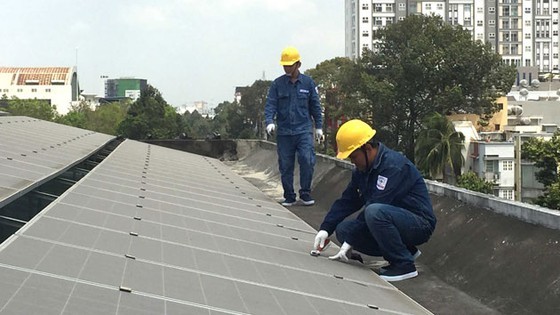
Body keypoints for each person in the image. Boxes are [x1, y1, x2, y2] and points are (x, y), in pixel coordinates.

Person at [313, 119, 436, 282]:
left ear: (368, 148)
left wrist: (351, 240)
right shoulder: (362, 170)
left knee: (374, 212)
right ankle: (405, 251)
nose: (353, 161)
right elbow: (348, 200)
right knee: (343, 229)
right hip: (392, 219)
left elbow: (376, 204)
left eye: (354, 156)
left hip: (418, 223)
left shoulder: (393, 166)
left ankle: (403, 264)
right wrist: (326, 229)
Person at [264, 46, 323, 207]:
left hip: (303, 130)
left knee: (307, 159)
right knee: (285, 164)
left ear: (298, 64)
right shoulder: (277, 84)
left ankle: (305, 193)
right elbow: (270, 104)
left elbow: (315, 106)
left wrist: (319, 126)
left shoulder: (308, 83)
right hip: (284, 132)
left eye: (289, 65)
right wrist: (269, 121)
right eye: (284, 65)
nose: (286, 68)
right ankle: (289, 196)